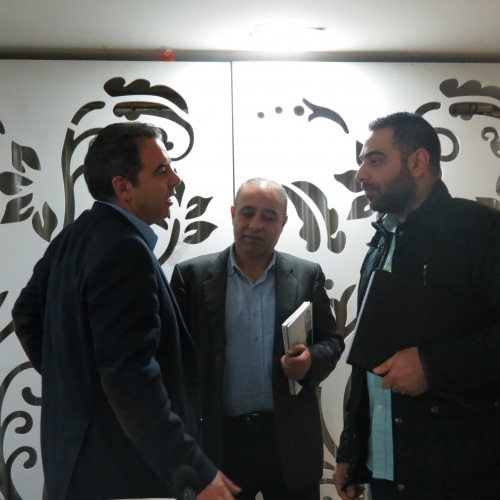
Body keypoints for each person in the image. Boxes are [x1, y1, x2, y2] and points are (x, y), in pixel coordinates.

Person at [12, 122, 240, 500]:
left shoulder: (75, 236)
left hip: (74, 468)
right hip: (120, 472)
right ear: (123, 187)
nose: (175, 180)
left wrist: (77, 388)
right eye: (161, 171)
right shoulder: (124, 249)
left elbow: (25, 314)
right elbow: (130, 375)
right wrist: (191, 469)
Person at [333, 112, 500, 500]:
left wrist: (432, 366)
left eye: (375, 160)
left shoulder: (481, 230)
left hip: (458, 474)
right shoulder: (381, 242)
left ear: (418, 161)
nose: (361, 174)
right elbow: (368, 361)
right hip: (384, 472)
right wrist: (351, 452)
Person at [170, 177, 344, 500]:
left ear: (283, 223)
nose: (255, 225)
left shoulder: (307, 275)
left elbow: (331, 342)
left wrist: (310, 362)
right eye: (247, 213)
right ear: (233, 214)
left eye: (269, 216)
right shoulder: (190, 277)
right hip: (218, 442)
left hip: (288, 440)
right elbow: (172, 357)